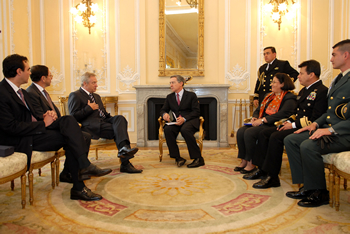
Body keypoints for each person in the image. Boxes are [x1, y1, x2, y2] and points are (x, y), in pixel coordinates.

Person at [0, 54, 111, 201]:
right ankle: (81, 178)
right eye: (27, 69)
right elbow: (10, 127)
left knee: (68, 120)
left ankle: (82, 171)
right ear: (18, 71)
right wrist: (42, 123)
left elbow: (35, 116)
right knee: (75, 137)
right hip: (21, 139)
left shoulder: (22, 92)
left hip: (34, 131)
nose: (30, 73)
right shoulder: (2, 93)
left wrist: (47, 116)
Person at [284, 39, 350, 207]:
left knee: (308, 146)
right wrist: (315, 124)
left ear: (346, 55)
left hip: (344, 134)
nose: (331, 59)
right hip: (332, 129)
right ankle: (306, 186)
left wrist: (331, 130)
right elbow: (329, 112)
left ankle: (319, 192)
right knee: (291, 139)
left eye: (334, 55)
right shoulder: (339, 78)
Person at [245, 60, 328, 189]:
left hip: (307, 128)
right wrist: (289, 122)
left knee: (275, 136)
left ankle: (272, 176)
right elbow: (296, 113)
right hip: (296, 124)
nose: (298, 76)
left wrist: (293, 125)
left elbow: (315, 118)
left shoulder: (321, 91)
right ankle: (263, 169)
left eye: (301, 73)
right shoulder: (304, 91)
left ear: (311, 75)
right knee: (265, 133)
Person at [26, 65, 100, 184]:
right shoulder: (31, 93)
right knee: (71, 124)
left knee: (85, 135)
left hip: (54, 125)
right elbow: (40, 116)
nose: (52, 77)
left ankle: (69, 172)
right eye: (50, 75)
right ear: (43, 78)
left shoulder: (43, 92)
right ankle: (82, 167)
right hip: (44, 130)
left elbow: (54, 112)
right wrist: (54, 118)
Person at [68, 72, 142, 173]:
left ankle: (124, 149)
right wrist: (88, 108)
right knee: (119, 131)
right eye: (93, 83)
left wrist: (115, 121)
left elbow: (103, 114)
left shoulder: (97, 96)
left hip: (104, 121)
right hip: (92, 126)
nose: (96, 85)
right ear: (85, 83)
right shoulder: (76, 95)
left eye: (96, 82)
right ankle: (125, 163)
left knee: (120, 119)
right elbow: (73, 116)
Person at [235, 73, 297, 174]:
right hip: (263, 122)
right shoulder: (269, 96)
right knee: (241, 131)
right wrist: (255, 117)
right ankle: (244, 160)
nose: (271, 84)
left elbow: (282, 114)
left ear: (282, 84)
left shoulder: (289, 98)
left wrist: (263, 120)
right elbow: (258, 109)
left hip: (273, 124)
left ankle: (252, 163)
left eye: (274, 82)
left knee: (249, 133)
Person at [160, 75, 205, 168]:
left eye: (173, 82)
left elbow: (196, 112)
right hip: (176, 122)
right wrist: (164, 114)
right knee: (168, 129)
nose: (171, 85)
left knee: (185, 130)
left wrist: (184, 118)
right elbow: (163, 109)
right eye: (170, 83)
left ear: (181, 83)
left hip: (190, 120)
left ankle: (198, 158)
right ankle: (177, 157)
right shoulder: (169, 97)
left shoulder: (191, 95)